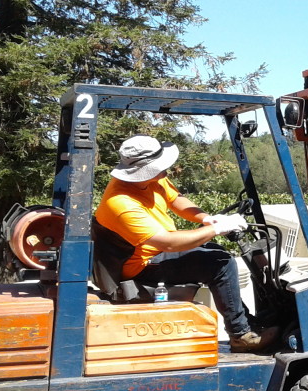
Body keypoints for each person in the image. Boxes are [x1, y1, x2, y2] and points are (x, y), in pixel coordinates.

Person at [94, 135, 276, 353]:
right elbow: (169, 243)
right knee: (221, 263)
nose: (166, 171)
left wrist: (207, 218)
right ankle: (240, 335)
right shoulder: (121, 202)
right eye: (160, 167)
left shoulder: (151, 179)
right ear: (143, 169)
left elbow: (176, 200)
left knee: (216, 252)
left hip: (153, 252)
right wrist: (217, 229)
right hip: (139, 265)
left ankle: (246, 323)